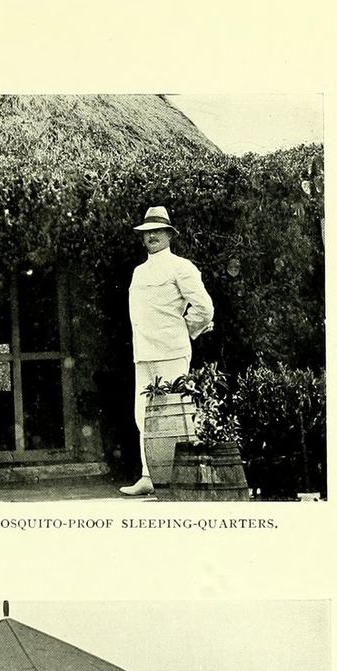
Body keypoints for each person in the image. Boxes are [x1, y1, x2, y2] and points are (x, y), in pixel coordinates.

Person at [121, 206, 214, 497]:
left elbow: (204, 308)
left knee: (179, 413)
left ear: (169, 235)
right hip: (144, 353)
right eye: (147, 232)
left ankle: (189, 474)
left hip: (172, 352)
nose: (152, 236)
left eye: (158, 231)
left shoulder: (181, 267)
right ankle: (149, 476)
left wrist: (186, 330)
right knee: (144, 416)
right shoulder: (138, 272)